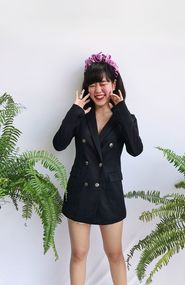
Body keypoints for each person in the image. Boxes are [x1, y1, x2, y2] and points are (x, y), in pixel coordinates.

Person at [53, 52, 143, 285]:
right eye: (92, 84)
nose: (98, 89)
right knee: (79, 254)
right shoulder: (80, 115)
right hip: (80, 191)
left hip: (109, 193)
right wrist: (74, 111)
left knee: (114, 255)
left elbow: (135, 149)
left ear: (113, 84)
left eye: (102, 83)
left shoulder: (124, 117)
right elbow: (59, 143)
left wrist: (121, 109)